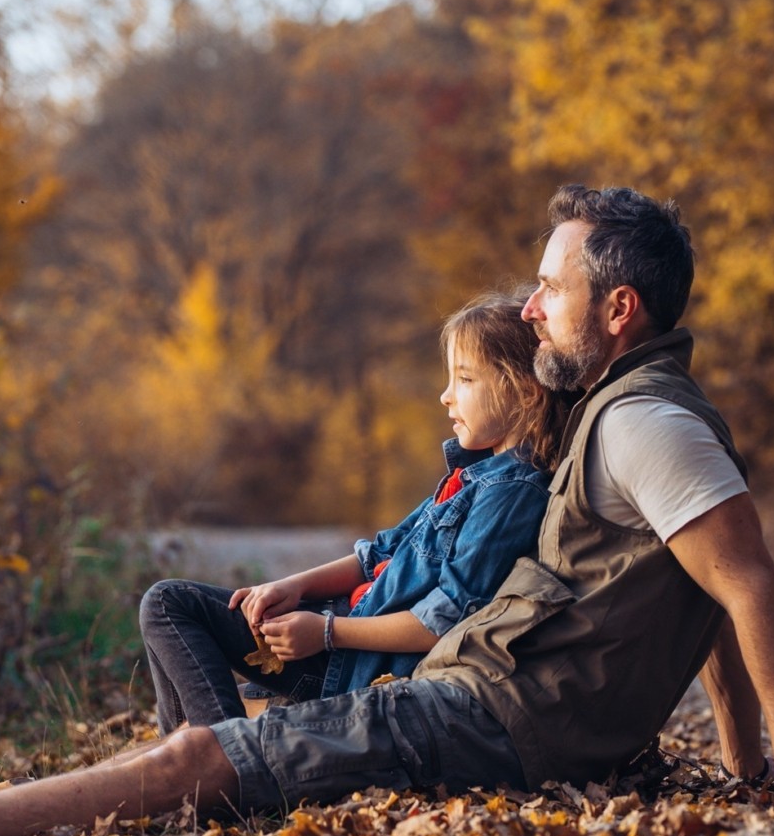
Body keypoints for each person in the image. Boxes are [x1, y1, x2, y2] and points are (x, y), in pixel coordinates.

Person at [0, 185, 774, 836]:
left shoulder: (646, 426)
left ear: (618, 308)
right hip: (483, 699)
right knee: (224, 738)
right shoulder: (628, 417)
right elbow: (699, 601)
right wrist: (746, 767)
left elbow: (748, 588)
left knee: (206, 753)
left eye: (551, 286)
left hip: (494, 719)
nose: (532, 303)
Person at [138, 291, 565, 730]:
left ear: (525, 391)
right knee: (183, 629)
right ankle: (199, 758)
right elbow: (376, 555)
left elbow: (444, 621)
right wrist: (293, 586)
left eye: (465, 380)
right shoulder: (473, 478)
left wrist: (324, 632)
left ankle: (219, 766)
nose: (445, 396)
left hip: (353, 664)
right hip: (339, 632)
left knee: (169, 605)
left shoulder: (511, 494)